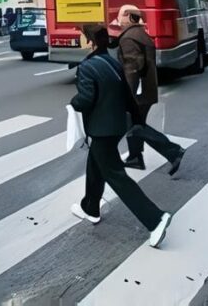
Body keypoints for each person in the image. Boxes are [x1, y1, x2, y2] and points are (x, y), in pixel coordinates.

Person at [69, 24, 174, 248]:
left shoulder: (87, 67)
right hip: (116, 126)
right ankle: (90, 207)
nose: (79, 39)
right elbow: (126, 93)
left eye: (81, 36)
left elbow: (86, 98)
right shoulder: (111, 62)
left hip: (102, 128)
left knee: (116, 176)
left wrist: (73, 103)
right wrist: (136, 120)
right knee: (96, 164)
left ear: (90, 42)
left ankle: (155, 219)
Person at [116, 7, 185, 174]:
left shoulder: (129, 37)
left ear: (127, 16)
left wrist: (127, 95)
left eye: (119, 14)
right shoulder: (141, 34)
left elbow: (132, 69)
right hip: (146, 90)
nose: (117, 18)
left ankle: (173, 150)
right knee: (135, 124)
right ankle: (135, 157)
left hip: (137, 92)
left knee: (135, 126)